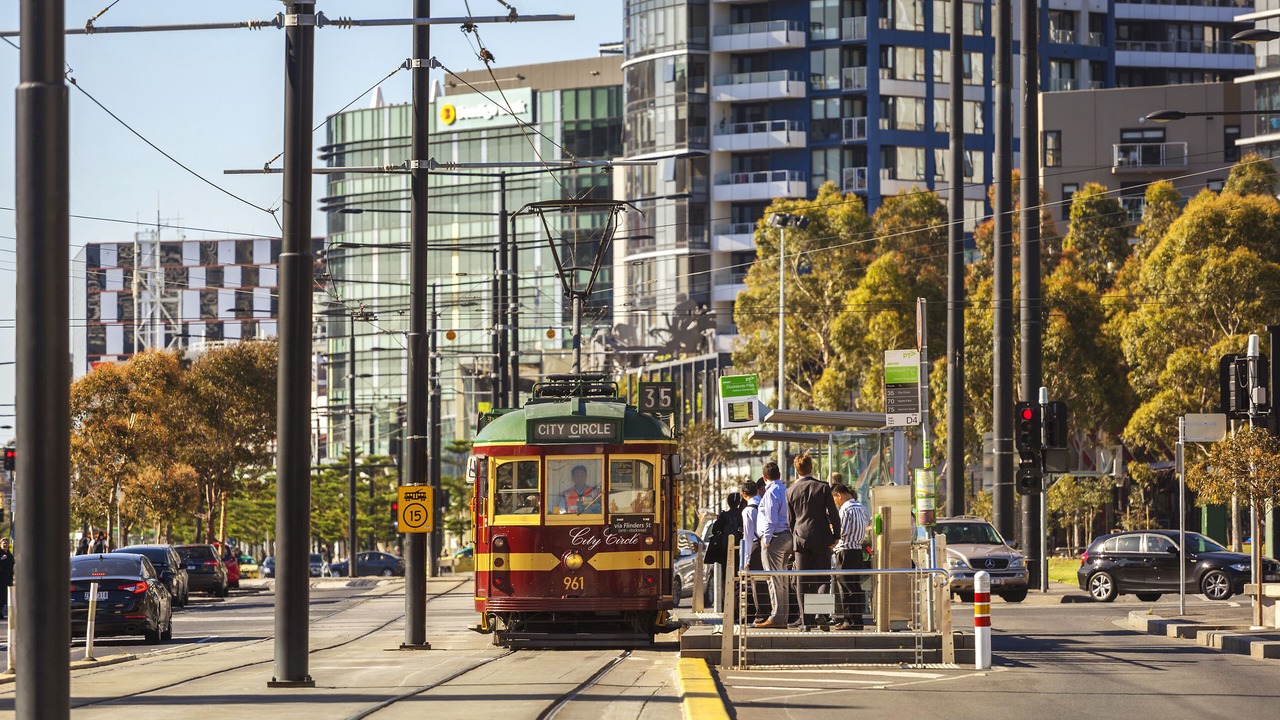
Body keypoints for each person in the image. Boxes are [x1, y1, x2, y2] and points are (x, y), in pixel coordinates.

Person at [786, 453, 840, 630]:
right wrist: (836, 536)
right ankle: (820, 614)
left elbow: (790, 520)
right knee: (824, 577)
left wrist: (795, 537)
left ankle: (805, 622)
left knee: (802, 580)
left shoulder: (790, 491)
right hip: (822, 537)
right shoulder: (822, 487)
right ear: (811, 467)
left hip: (800, 539)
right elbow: (833, 514)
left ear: (796, 469)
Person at [752, 461, 792, 629]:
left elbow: (770, 518)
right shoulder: (785, 490)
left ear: (764, 477)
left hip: (774, 538)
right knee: (781, 579)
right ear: (779, 475)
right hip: (786, 536)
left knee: (773, 579)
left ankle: (776, 617)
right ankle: (782, 615)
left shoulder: (770, 493)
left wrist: (766, 539)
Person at [830, 482, 870, 631]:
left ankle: (850, 621)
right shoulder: (860, 508)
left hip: (845, 551)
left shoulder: (845, 510)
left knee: (846, 588)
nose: (835, 503)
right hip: (857, 551)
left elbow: (842, 532)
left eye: (834, 499)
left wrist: (831, 532)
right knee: (855, 587)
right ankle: (857, 620)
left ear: (839, 495)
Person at [740, 477, 769, 623]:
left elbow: (748, 536)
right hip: (769, 543)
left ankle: (762, 614)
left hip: (756, 546)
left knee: (758, 582)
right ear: (757, 491)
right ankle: (771, 612)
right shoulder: (764, 503)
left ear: (743, 494)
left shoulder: (748, 511)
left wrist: (746, 559)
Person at [0, 538, 13, 620]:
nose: (5, 545)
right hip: (1, 579)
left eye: (6, 543)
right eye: (3, 543)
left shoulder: (9, 554)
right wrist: (1, 559)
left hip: (7, 579)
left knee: (5, 597)